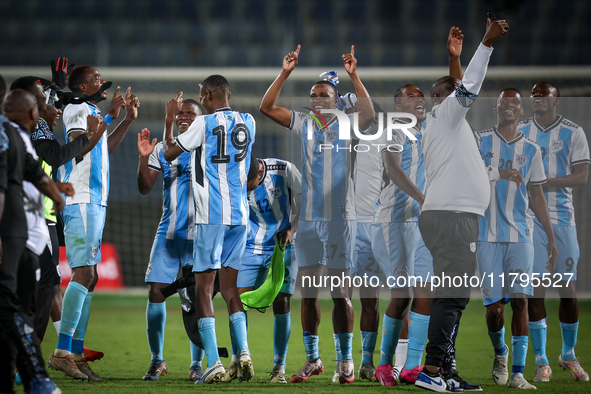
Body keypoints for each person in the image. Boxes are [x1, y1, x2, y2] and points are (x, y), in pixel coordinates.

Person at [260, 45, 375, 384]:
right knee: (307, 292)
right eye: (313, 95)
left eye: (323, 94)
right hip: (308, 219)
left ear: (337, 100)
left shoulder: (349, 122)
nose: (317, 99)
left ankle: (345, 361)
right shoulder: (305, 122)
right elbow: (267, 107)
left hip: (340, 217)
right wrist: (285, 73)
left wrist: (354, 75)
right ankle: (313, 359)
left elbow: (368, 112)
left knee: (340, 293)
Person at [414, 18, 509, 393]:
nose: (463, 98)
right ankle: (432, 371)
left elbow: (458, 90)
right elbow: (464, 89)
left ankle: (446, 372)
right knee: (452, 296)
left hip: (449, 217)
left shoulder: (445, 120)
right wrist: (485, 43)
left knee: (452, 296)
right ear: (446, 99)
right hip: (453, 218)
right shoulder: (446, 114)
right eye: (454, 92)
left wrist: (453, 58)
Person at [162, 76, 256, 384]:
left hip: (210, 216)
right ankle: (243, 353)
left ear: (205, 95)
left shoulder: (202, 123)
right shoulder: (249, 121)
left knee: (203, 289)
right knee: (230, 289)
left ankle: (214, 362)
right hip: (240, 217)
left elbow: (169, 153)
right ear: (229, 93)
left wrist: (168, 122)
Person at [49, 66, 140, 382]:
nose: (102, 83)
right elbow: (79, 147)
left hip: (94, 200)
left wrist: (123, 120)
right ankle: (63, 351)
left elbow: (101, 148)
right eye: (97, 78)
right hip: (81, 197)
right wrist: (107, 122)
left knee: (91, 276)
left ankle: (75, 352)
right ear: (81, 85)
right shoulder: (76, 108)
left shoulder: (89, 111)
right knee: (84, 273)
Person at [477, 88, 558, 389]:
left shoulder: (533, 150)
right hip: (486, 236)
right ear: (496, 109)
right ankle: (500, 352)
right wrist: (499, 171)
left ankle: (518, 373)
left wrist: (550, 236)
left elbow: (536, 194)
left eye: (515, 102)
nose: (509, 106)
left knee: (521, 301)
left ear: (521, 111)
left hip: (522, 236)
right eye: (504, 102)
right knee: (495, 308)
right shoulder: (479, 140)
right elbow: (469, 174)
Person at [9, 76, 92, 345]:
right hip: (27, 221)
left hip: (37, 219)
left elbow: (31, 174)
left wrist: (54, 189)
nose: (51, 104)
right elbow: (52, 159)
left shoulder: (21, 136)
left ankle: (53, 350)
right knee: (44, 288)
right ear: (31, 107)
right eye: (43, 98)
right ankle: (36, 355)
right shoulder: (31, 131)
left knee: (43, 286)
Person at [520, 81, 590, 382]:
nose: (537, 98)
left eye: (543, 94)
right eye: (534, 94)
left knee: (568, 290)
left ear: (556, 101)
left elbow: (582, 176)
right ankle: (541, 360)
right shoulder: (521, 130)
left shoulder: (573, 132)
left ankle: (569, 354)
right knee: (536, 289)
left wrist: (543, 182)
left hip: (562, 219)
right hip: (529, 219)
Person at [0, 88, 65, 394]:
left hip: (22, 236)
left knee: (22, 304)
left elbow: (32, 171)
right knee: (12, 307)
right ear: (31, 113)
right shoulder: (7, 135)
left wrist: (55, 194)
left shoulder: (14, 135)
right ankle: (35, 375)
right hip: (12, 235)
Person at [137, 98, 206, 382]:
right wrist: (143, 158)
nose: (184, 116)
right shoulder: (161, 149)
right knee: (156, 292)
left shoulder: (207, 146)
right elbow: (144, 187)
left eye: (191, 112)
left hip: (200, 234)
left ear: (201, 119)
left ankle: (196, 364)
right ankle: (157, 360)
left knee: (196, 299)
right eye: (180, 113)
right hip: (168, 233)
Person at [372, 83, 436, 387]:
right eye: (410, 97)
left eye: (420, 95)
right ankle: (384, 364)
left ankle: (411, 365)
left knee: (426, 293)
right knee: (401, 296)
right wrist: (424, 199)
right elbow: (393, 170)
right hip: (393, 222)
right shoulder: (394, 130)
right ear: (399, 107)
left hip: (421, 224)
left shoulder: (430, 134)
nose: (418, 99)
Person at [228, 156, 301, 384]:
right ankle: (238, 359)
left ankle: (279, 367)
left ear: (260, 174)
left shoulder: (284, 169)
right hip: (250, 245)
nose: (247, 188)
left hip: (282, 244)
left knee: (282, 301)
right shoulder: (236, 173)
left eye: (250, 183)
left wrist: (292, 229)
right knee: (237, 301)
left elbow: (307, 198)